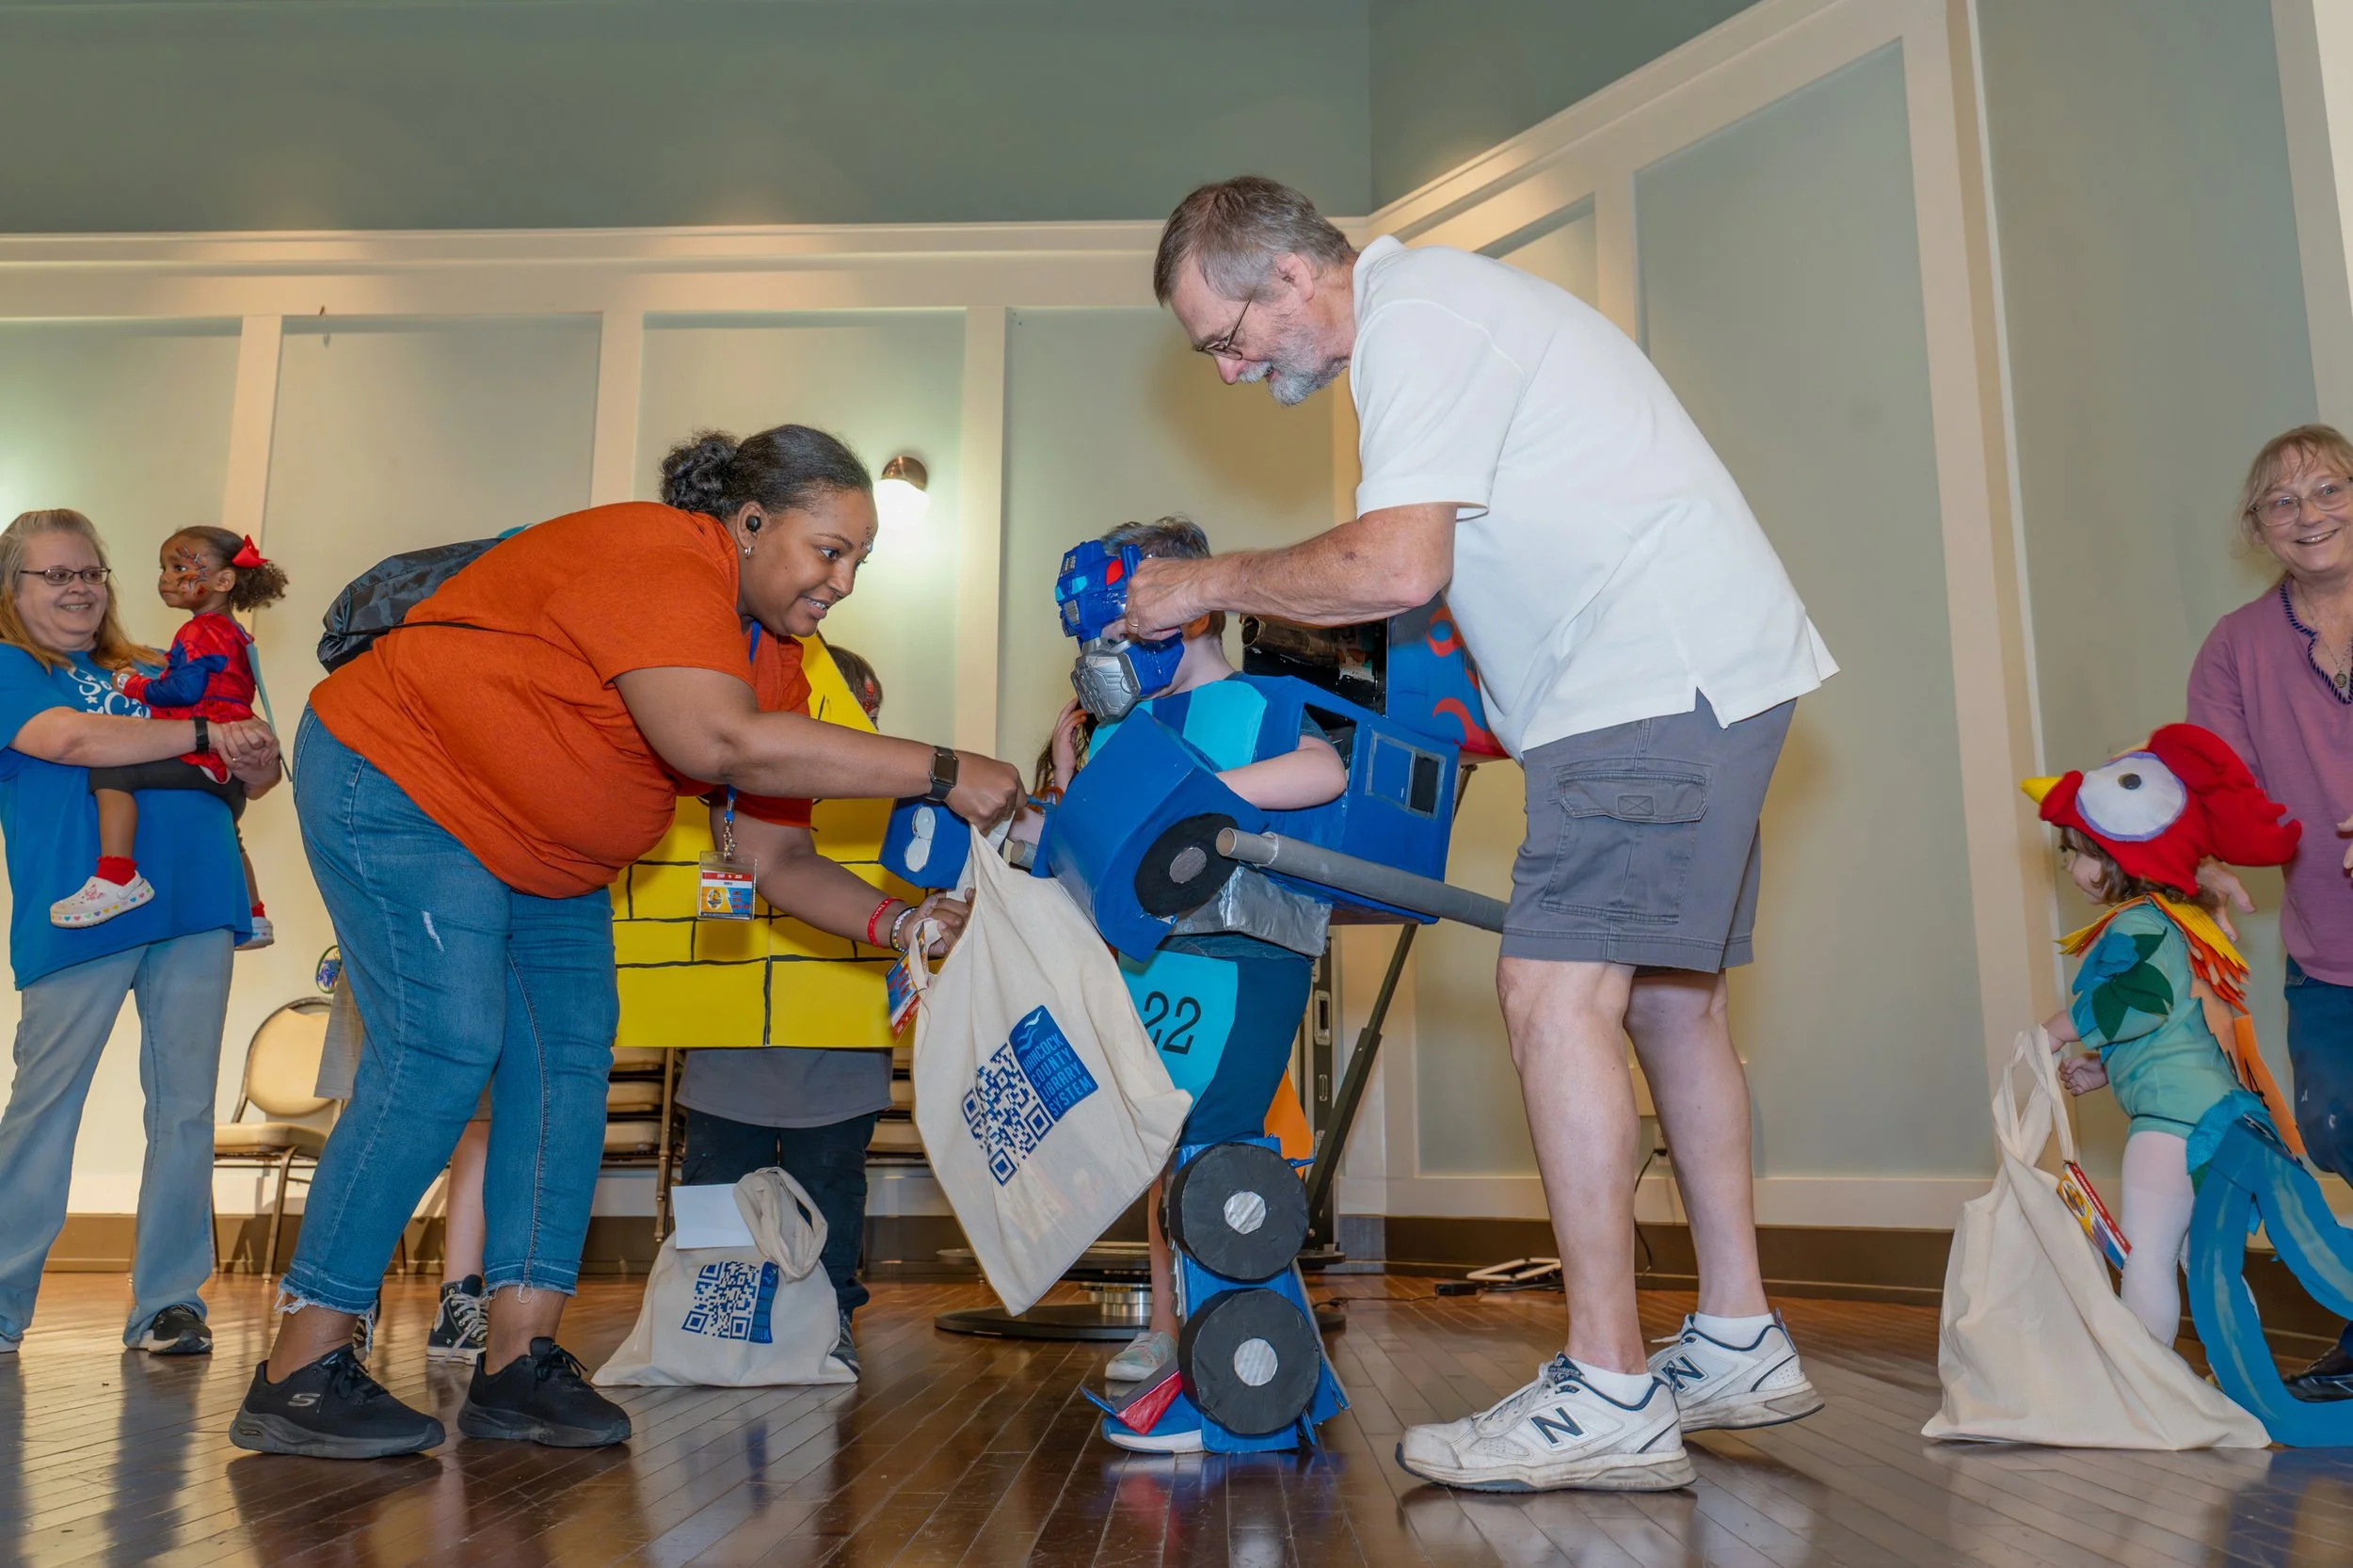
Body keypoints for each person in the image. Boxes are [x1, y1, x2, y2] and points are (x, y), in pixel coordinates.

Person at [1128, 177, 1838, 1492]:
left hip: (1641, 684)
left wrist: (1202, 584)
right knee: (1669, 1000)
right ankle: (1736, 1334)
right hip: (1700, 673)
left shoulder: (1419, 319)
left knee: (1549, 992)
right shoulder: (1440, 314)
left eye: (1225, 336)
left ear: (1286, 275)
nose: (1228, 370)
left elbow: (1396, 569)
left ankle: (1609, 1386)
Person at [229, 424, 1022, 1461]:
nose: (844, 581)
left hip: (550, 850)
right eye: (829, 550)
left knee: (567, 1068)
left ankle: (520, 1363)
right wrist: (944, 768)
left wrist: (904, 922)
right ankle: (299, 1368)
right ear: (748, 522)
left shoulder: (777, 663)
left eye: (859, 560)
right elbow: (717, 741)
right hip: (403, 782)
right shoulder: (656, 551)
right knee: (443, 1046)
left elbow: (775, 858)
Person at [1027, 517, 1347, 1455]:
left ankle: (1230, 1388)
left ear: (1192, 611)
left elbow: (1323, 770)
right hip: (1158, 963)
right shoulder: (1132, 730)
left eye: (1123, 632)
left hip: (1246, 953)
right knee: (1175, 1153)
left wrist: (1205, 801)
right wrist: (1068, 785)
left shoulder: (1257, 702)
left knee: (1216, 1153)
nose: (1110, 656)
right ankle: (1193, 1346)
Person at [0, 508, 280, 1357]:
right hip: (83, 908)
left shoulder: (161, 662)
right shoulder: (14, 665)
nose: (80, 588)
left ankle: (169, 1302)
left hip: (196, 897)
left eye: (91, 572)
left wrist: (253, 753)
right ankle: (3, 1301)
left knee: (186, 1111)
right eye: (57, 574)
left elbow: (258, 772)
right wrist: (206, 732)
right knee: (46, 1106)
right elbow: (71, 738)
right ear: (11, 588)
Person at [2026, 727, 2301, 1344]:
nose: (2070, 867)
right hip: (2213, 1113)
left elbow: (2140, 998)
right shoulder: (2177, 920)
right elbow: (2175, 1022)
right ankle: (2241, 1374)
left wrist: (2059, 1029)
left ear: (2116, 858)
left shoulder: (2137, 926)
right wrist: (2104, 1064)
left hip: (2173, 1124)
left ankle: (2144, 1380)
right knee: (2201, 1256)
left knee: (2147, 1251)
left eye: (2076, 852)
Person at [675, 643, 903, 1377]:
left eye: (866, 718)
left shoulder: (886, 810)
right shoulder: (724, 798)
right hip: (729, 1056)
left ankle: (827, 1324)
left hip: (839, 1062)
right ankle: (711, 1329)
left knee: (829, 1200)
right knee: (718, 1200)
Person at [2187, 424, 2353, 1399]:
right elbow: (2220, 786)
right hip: (2327, 949)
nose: (2309, 513)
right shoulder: (2236, 647)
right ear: (2257, 529)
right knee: (2335, 1132)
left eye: (2329, 489)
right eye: (2282, 502)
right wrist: (2195, 854)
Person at [49, 526, 285, 947]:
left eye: (179, 568)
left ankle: (118, 876)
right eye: (164, 568)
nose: (166, 578)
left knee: (112, 770)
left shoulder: (200, 631)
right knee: (230, 832)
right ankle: (253, 913)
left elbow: (184, 691)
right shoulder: (234, 631)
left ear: (223, 581)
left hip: (205, 753)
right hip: (226, 764)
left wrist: (133, 685)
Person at [312, 962, 491, 1365]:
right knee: (378, 1105)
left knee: (479, 1115)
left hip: (482, 950)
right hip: (387, 943)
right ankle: (348, 1297)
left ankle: (459, 1304)